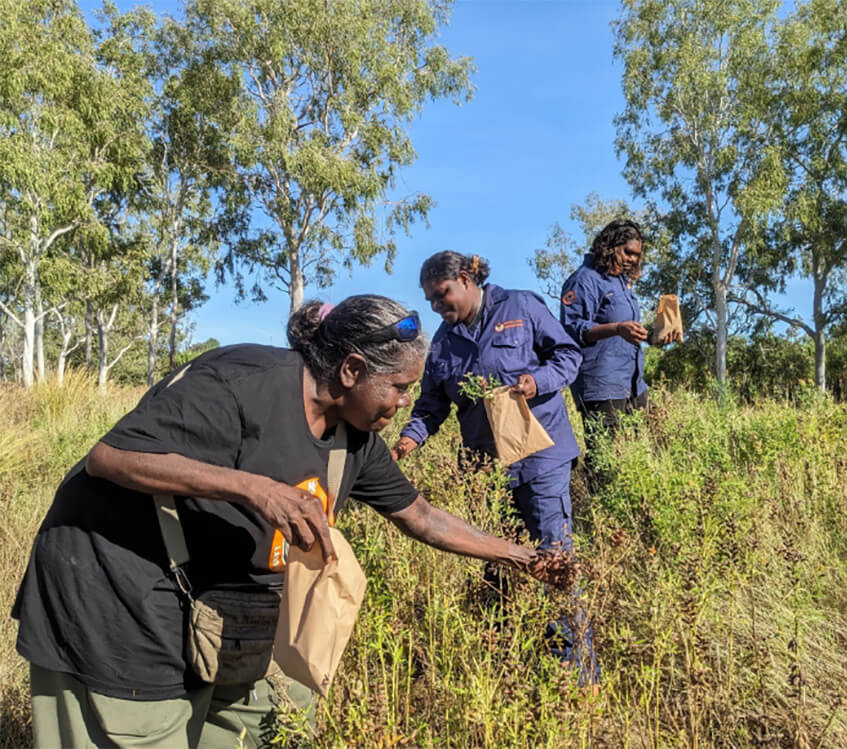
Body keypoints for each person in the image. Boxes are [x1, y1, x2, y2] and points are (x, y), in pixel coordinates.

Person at [12, 295, 553, 749]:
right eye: (398, 386)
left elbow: (423, 517)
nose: (405, 402)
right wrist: (255, 489)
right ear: (351, 370)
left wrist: (521, 556)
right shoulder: (239, 383)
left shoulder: (356, 437)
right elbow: (110, 458)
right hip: (116, 593)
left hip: (224, 611)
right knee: (141, 732)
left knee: (276, 723)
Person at [390, 251, 597, 683]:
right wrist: (409, 439)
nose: (437, 306)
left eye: (442, 294)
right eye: (430, 300)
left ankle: (575, 679)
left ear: (466, 280)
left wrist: (537, 381)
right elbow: (431, 405)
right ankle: (510, 672)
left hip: (542, 461)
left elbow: (568, 355)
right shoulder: (443, 343)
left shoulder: (521, 306)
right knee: (499, 568)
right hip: (488, 474)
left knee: (554, 562)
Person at [559, 219, 679, 456]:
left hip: (633, 384)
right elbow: (572, 328)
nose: (632, 259)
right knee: (606, 459)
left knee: (644, 453)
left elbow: (627, 331)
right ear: (609, 247)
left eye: (637, 255)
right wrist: (616, 328)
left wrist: (653, 337)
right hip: (602, 386)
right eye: (628, 252)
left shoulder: (621, 283)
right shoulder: (584, 280)